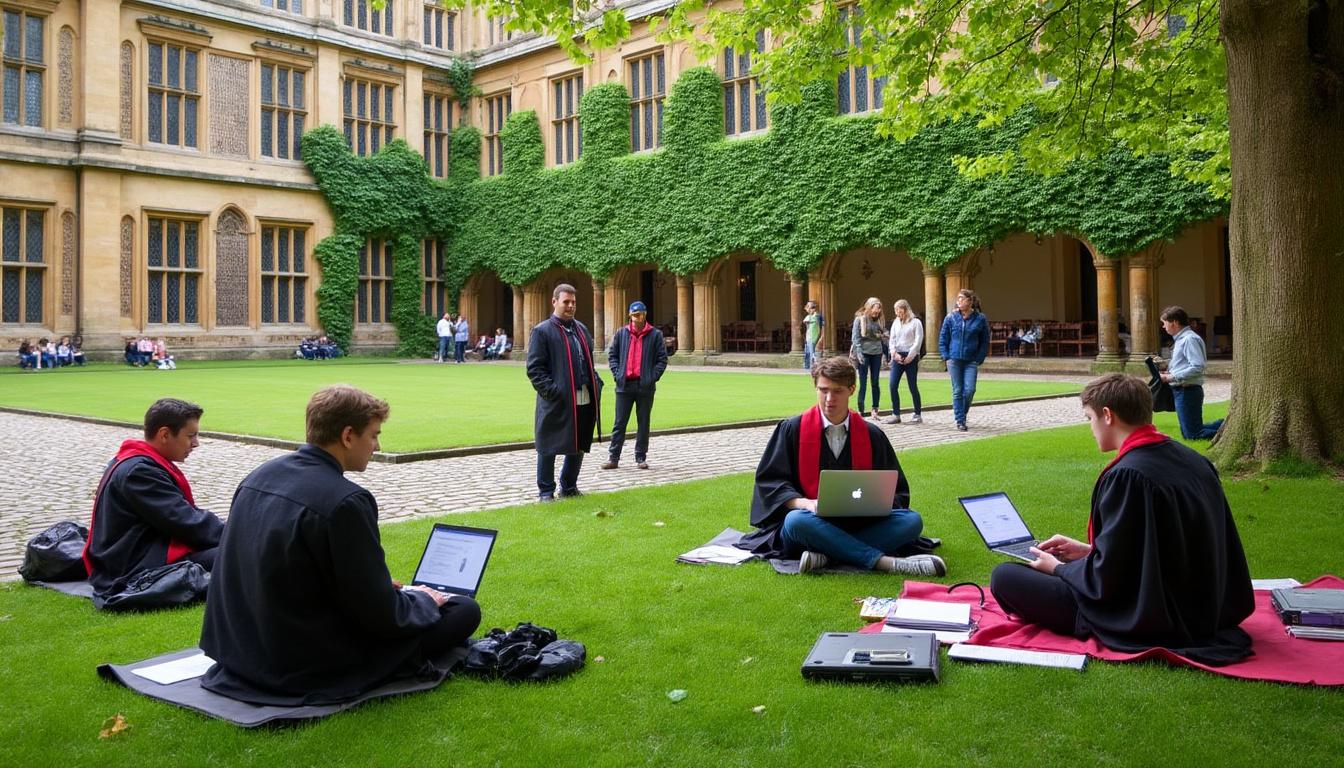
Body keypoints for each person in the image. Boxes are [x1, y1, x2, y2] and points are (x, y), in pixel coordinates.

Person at [200, 386, 481, 705]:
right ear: (348, 436)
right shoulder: (346, 501)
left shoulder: (260, 475)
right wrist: (424, 601)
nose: (377, 445)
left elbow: (287, 566)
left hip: (240, 645)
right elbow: (383, 616)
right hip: (298, 661)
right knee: (463, 610)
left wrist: (377, 587)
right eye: (373, 435)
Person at [989, 373, 1254, 665]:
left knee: (1005, 577)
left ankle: (1087, 621)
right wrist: (1088, 553)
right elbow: (1158, 548)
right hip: (1202, 602)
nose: (1090, 428)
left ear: (1107, 415)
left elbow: (1111, 581)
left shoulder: (1128, 475)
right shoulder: (1193, 460)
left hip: (1147, 612)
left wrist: (1059, 570)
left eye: (1089, 418)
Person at [738, 356, 947, 576]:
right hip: (811, 522)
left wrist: (872, 504)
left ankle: (826, 555)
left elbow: (897, 493)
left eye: (837, 391)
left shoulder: (871, 435)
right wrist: (806, 503)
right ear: (815, 388)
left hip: (861, 524)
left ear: (852, 389)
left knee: (912, 521)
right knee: (794, 521)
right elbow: (771, 483)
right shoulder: (792, 429)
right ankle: (884, 562)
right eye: (823, 390)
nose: (829, 399)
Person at [82, 398, 224, 597]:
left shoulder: (137, 461)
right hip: (134, 566)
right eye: (191, 436)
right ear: (165, 434)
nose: (196, 443)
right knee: (240, 553)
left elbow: (184, 517)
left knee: (236, 549)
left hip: (141, 550)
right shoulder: (139, 472)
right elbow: (185, 521)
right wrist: (235, 533)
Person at [526, 283, 602, 501]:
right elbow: (534, 369)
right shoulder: (542, 331)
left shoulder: (581, 329)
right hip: (556, 397)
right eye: (566, 302)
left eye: (573, 302)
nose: (570, 306)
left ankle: (569, 486)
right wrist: (553, 391)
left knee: (579, 439)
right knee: (548, 444)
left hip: (583, 393)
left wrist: (596, 382)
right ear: (554, 302)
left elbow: (589, 361)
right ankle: (546, 491)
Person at [603, 301, 668, 471]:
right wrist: (617, 374)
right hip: (624, 385)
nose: (637, 318)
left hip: (644, 386)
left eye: (640, 315)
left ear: (645, 315)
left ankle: (640, 457)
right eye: (634, 315)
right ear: (629, 316)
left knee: (643, 422)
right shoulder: (621, 333)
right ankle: (613, 457)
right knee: (619, 423)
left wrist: (652, 377)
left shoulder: (655, 335)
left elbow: (662, 359)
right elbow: (613, 356)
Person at [1159, 305, 1222, 440]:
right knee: (1191, 432)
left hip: (1187, 390)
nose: (1163, 327)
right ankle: (1227, 425)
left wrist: (1171, 376)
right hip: (1183, 389)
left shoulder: (1189, 339)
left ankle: (1228, 430)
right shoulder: (1182, 339)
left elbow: (1197, 366)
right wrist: (1168, 369)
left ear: (1174, 322)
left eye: (1164, 323)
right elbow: (1185, 364)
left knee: (1192, 435)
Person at [938, 288, 989, 431]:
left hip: (971, 360)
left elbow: (985, 341)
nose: (959, 301)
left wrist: (979, 358)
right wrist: (946, 357)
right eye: (958, 298)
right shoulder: (951, 318)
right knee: (957, 390)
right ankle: (960, 420)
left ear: (970, 301)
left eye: (962, 298)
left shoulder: (980, 319)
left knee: (970, 390)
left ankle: (962, 412)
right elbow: (943, 339)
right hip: (954, 359)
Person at [886, 299, 924, 424]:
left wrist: (911, 355)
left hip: (911, 356)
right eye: (895, 310)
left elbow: (918, 340)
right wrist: (894, 353)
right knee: (892, 385)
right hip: (898, 356)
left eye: (899, 309)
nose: (897, 312)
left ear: (906, 309)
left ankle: (917, 414)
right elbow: (892, 339)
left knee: (912, 385)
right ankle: (896, 414)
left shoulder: (916, 322)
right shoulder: (896, 323)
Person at [850, 298, 887, 419]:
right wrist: (859, 353)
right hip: (864, 352)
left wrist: (881, 335)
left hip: (877, 352)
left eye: (878, 311)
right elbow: (855, 338)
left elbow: (886, 334)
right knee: (863, 382)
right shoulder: (860, 319)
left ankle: (875, 409)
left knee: (875, 382)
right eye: (875, 311)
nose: (877, 313)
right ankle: (861, 410)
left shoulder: (880, 320)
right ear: (869, 308)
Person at [802, 300, 824, 371]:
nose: (807, 309)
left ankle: (814, 368)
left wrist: (821, 338)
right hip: (808, 338)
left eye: (809, 307)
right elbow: (806, 324)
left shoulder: (817, 317)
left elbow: (822, 328)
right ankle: (808, 368)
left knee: (813, 354)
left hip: (814, 338)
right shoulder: (809, 316)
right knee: (807, 353)